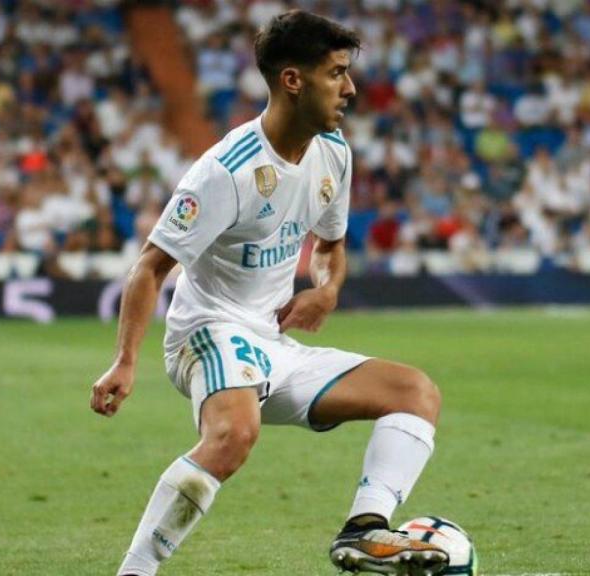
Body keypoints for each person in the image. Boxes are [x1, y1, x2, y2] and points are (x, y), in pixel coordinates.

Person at [90, 11, 445, 575]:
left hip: (270, 342)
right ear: (292, 80)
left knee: (415, 392)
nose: (351, 88)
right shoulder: (225, 171)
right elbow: (150, 268)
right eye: (337, 73)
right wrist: (124, 363)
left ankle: (364, 532)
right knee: (234, 435)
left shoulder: (334, 154)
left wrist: (327, 290)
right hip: (207, 331)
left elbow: (331, 245)